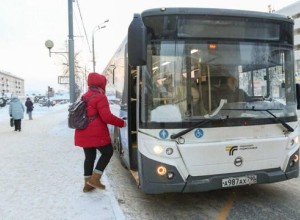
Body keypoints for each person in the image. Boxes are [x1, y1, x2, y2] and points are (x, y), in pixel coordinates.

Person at [74, 72, 126, 193]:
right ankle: (95, 179)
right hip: (96, 132)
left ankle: (87, 185)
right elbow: (107, 117)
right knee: (107, 152)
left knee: (89, 157)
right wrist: (122, 123)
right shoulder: (100, 97)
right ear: (101, 84)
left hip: (82, 131)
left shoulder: (84, 96)